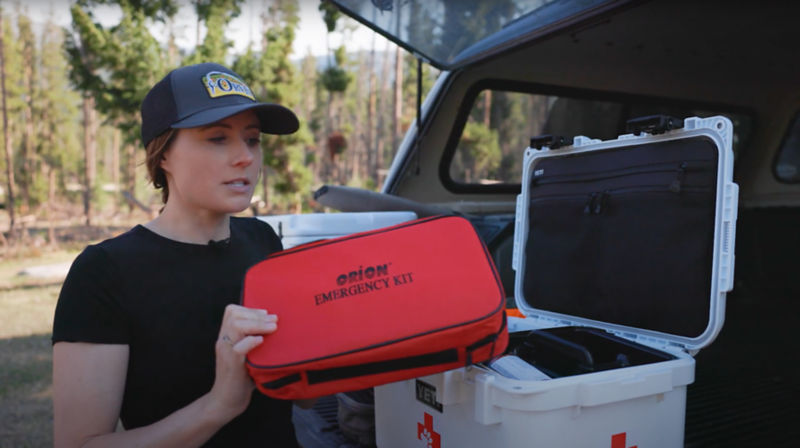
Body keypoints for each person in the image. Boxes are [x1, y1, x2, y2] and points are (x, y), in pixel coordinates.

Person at [52, 62, 313, 447]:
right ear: (163, 156)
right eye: (217, 139)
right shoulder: (104, 273)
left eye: (252, 139)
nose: (245, 157)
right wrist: (218, 405)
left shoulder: (262, 241)